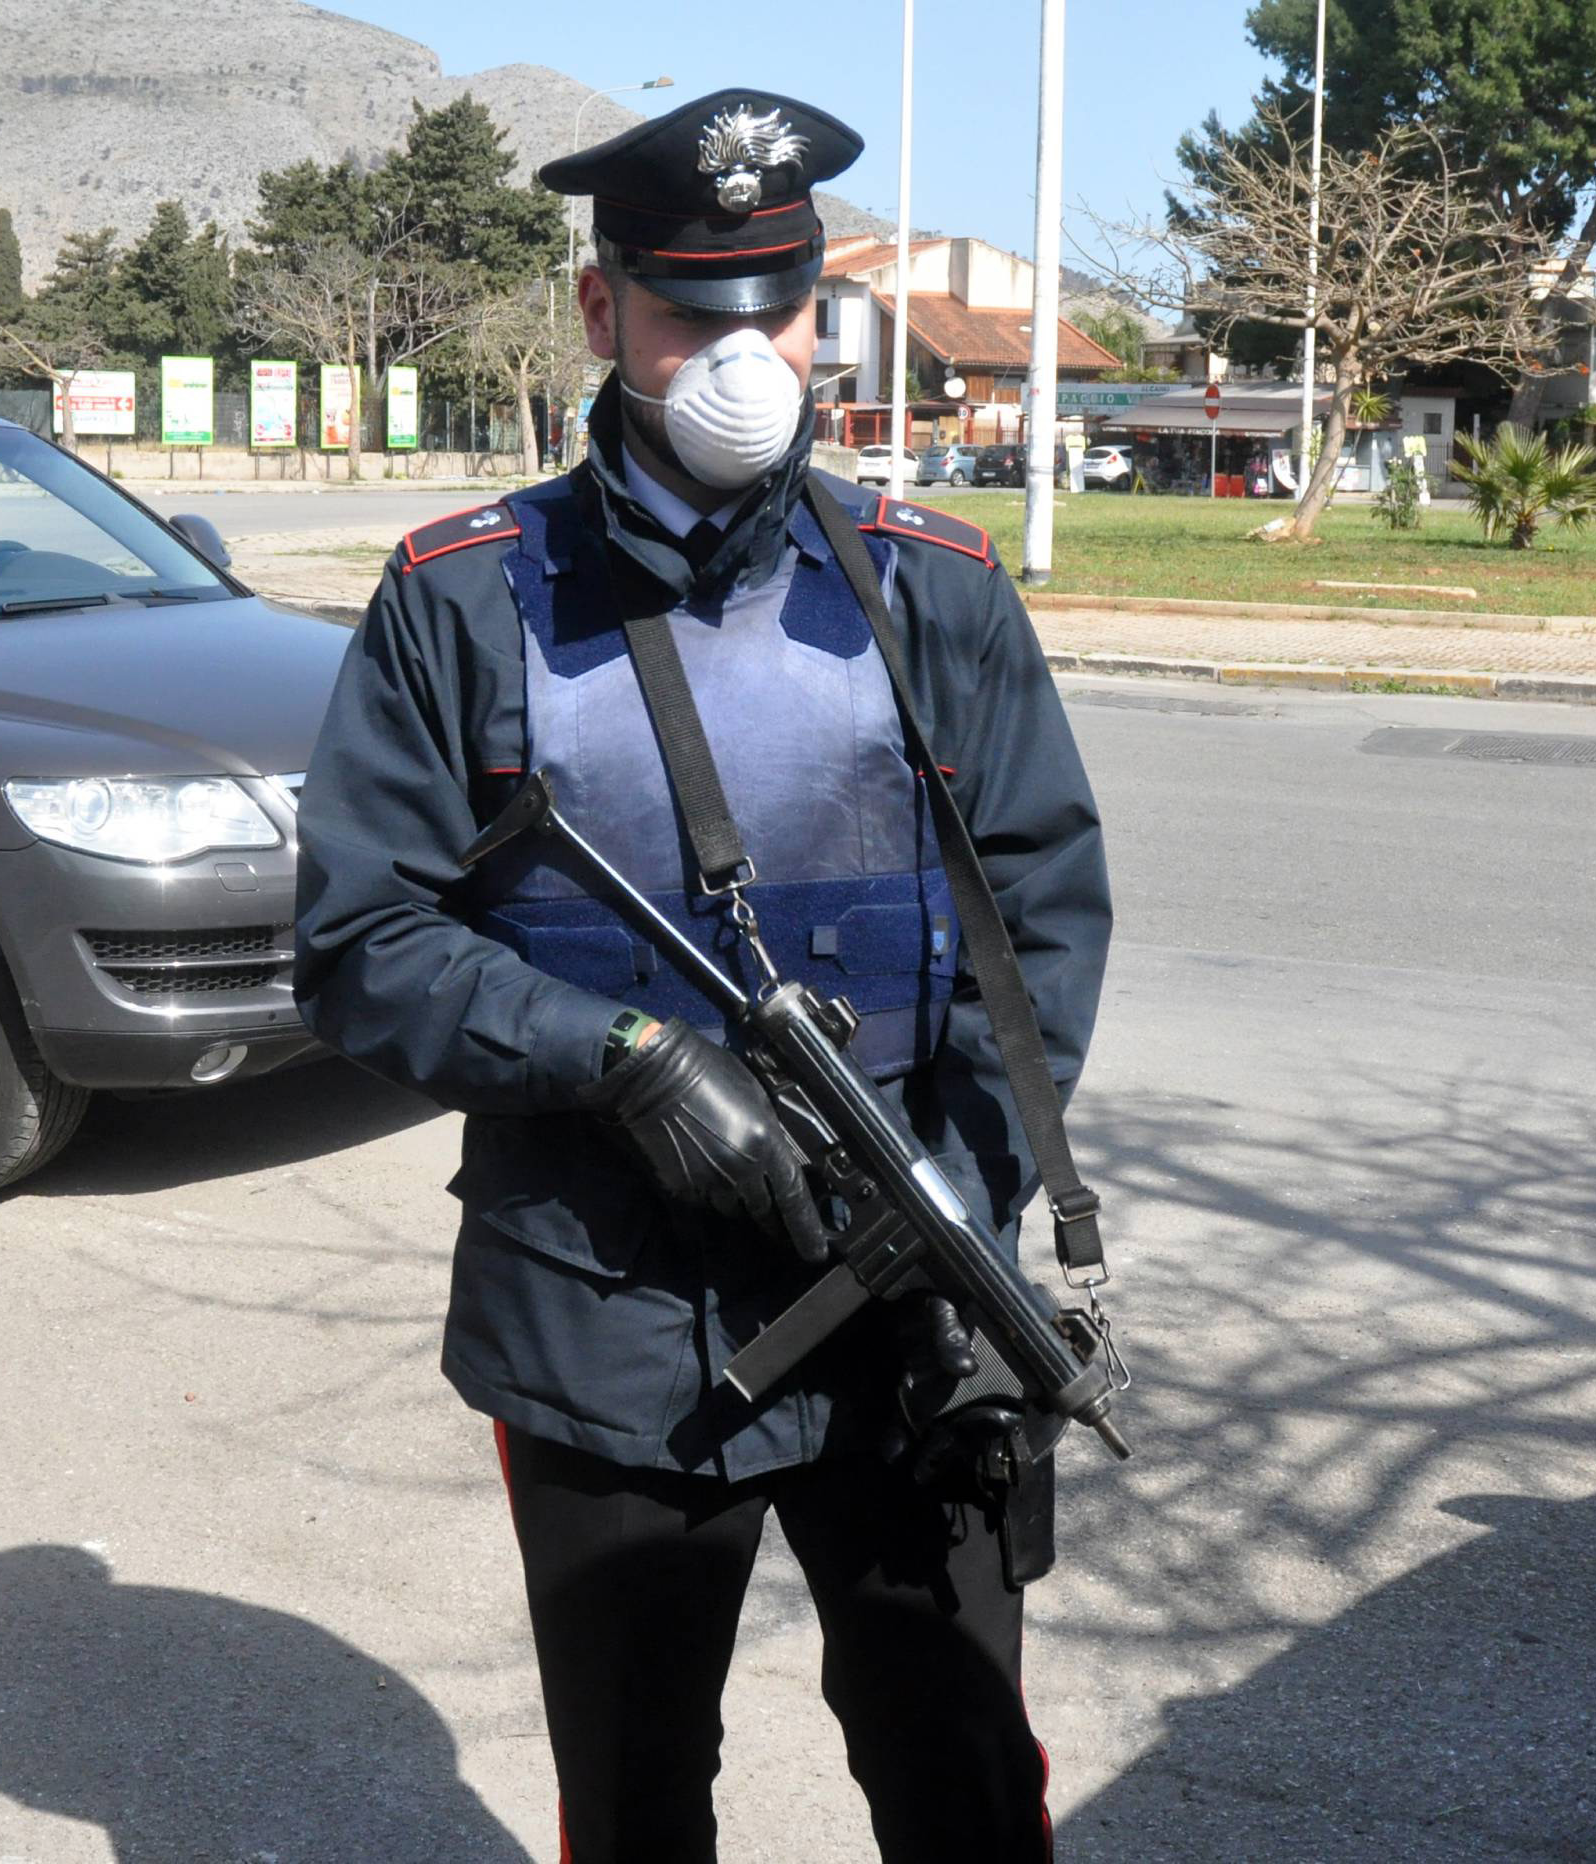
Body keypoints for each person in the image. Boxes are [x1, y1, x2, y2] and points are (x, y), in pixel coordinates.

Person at [292, 86, 1112, 1864]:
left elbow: (1035, 914)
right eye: (691, 308)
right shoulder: (467, 598)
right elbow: (361, 940)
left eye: (780, 305)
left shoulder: (934, 588)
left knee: (966, 1778)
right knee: (638, 1795)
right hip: (602, 1309)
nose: (746, 354)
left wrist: (958, 1199)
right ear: (604, 313)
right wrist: (618, 1055)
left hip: (902, 1290)